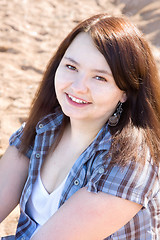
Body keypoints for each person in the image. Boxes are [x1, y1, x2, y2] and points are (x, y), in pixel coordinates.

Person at [0, 13, 160, 240]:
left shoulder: (131, 163)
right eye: (71, 67)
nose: (78, 87)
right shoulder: (42, 129)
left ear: (125, 92)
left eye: (100, 78)